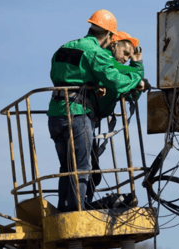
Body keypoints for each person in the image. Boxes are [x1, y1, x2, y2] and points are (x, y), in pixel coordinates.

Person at [47, 10, 147, 212]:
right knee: (83, 167)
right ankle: (77, 210)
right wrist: (138, 79)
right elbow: (115, 81)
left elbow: (57, 74)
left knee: (67, 167)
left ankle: (64, 207)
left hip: (55, 114)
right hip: (77, 113)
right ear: (111, 37)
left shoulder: (64, 48)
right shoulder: (96, 53)